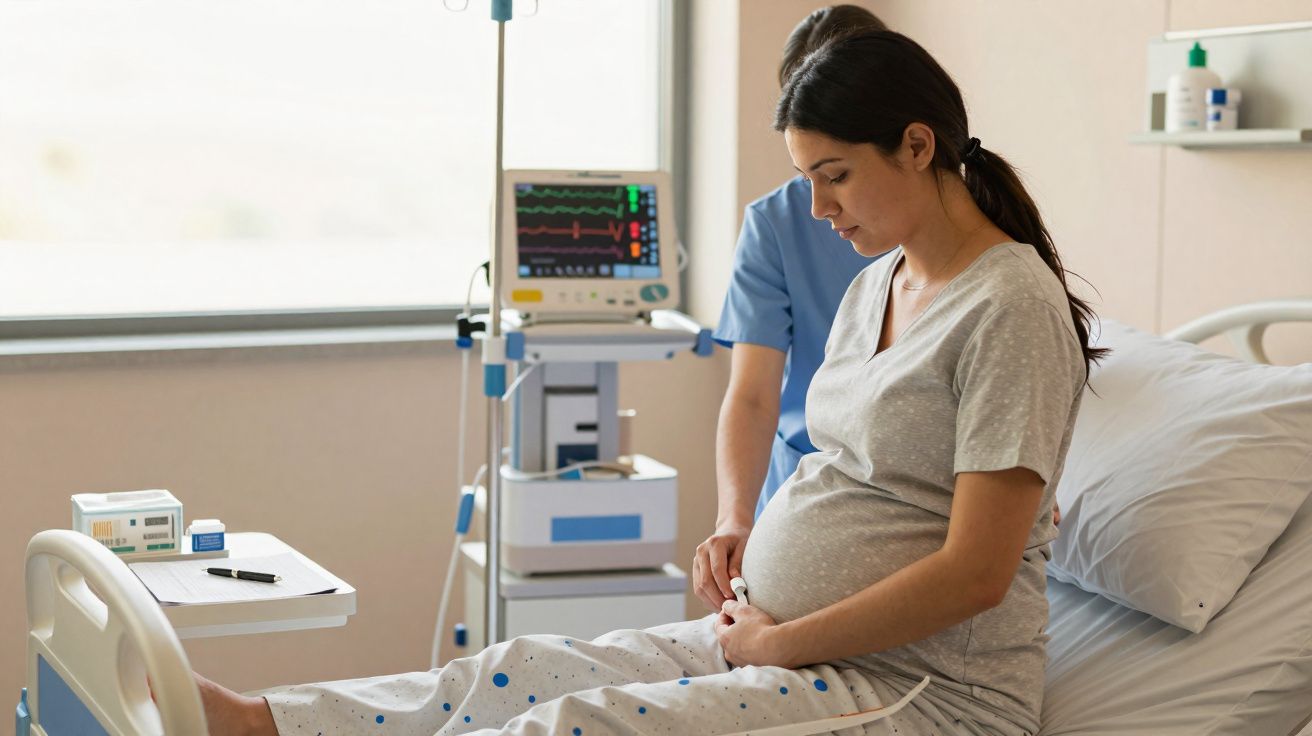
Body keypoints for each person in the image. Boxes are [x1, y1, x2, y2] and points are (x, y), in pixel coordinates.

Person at [196, 30, 1100, 736]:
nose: (819, 209)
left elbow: (977, 575)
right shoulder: (882, 282)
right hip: (780, 643)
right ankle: (259, 722)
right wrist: (748, 539)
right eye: (805, 180)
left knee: (576, 725)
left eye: (835, 177)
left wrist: (779, 642)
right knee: (515, 670)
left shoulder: (1010, 305)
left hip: (923, 692)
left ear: (916, 146)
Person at [697, 3, 889, 615]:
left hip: (906, 498)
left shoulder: (964, 241)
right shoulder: (777, 224)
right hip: (806, 488)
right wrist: (736, 518)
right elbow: (752, 395)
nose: (821, 207)